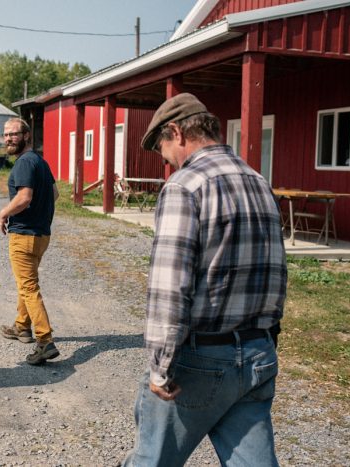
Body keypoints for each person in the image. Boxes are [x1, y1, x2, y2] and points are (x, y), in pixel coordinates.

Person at [123, 93, 287, 466]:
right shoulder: (259, 181)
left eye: (163, 149)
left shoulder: (186, 185)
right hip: (257, 356)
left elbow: (170, 287)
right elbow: (276, 270)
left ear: (177, 132)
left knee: (151, 460)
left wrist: (160, 367)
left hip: (202, 359)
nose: (166, 161)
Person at [0, 117, 60, 365]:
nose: (8, 139)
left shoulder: (24, 163)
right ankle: (21, 327)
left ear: (26, 136)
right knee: (27, 283)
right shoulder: (40, 162)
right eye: (5, 135)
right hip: (41, 234)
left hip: (24, 235)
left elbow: (24, 197)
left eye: (13, 134)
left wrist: (4, 212)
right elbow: (54, 194)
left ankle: (45, 341)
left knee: (28, 287)